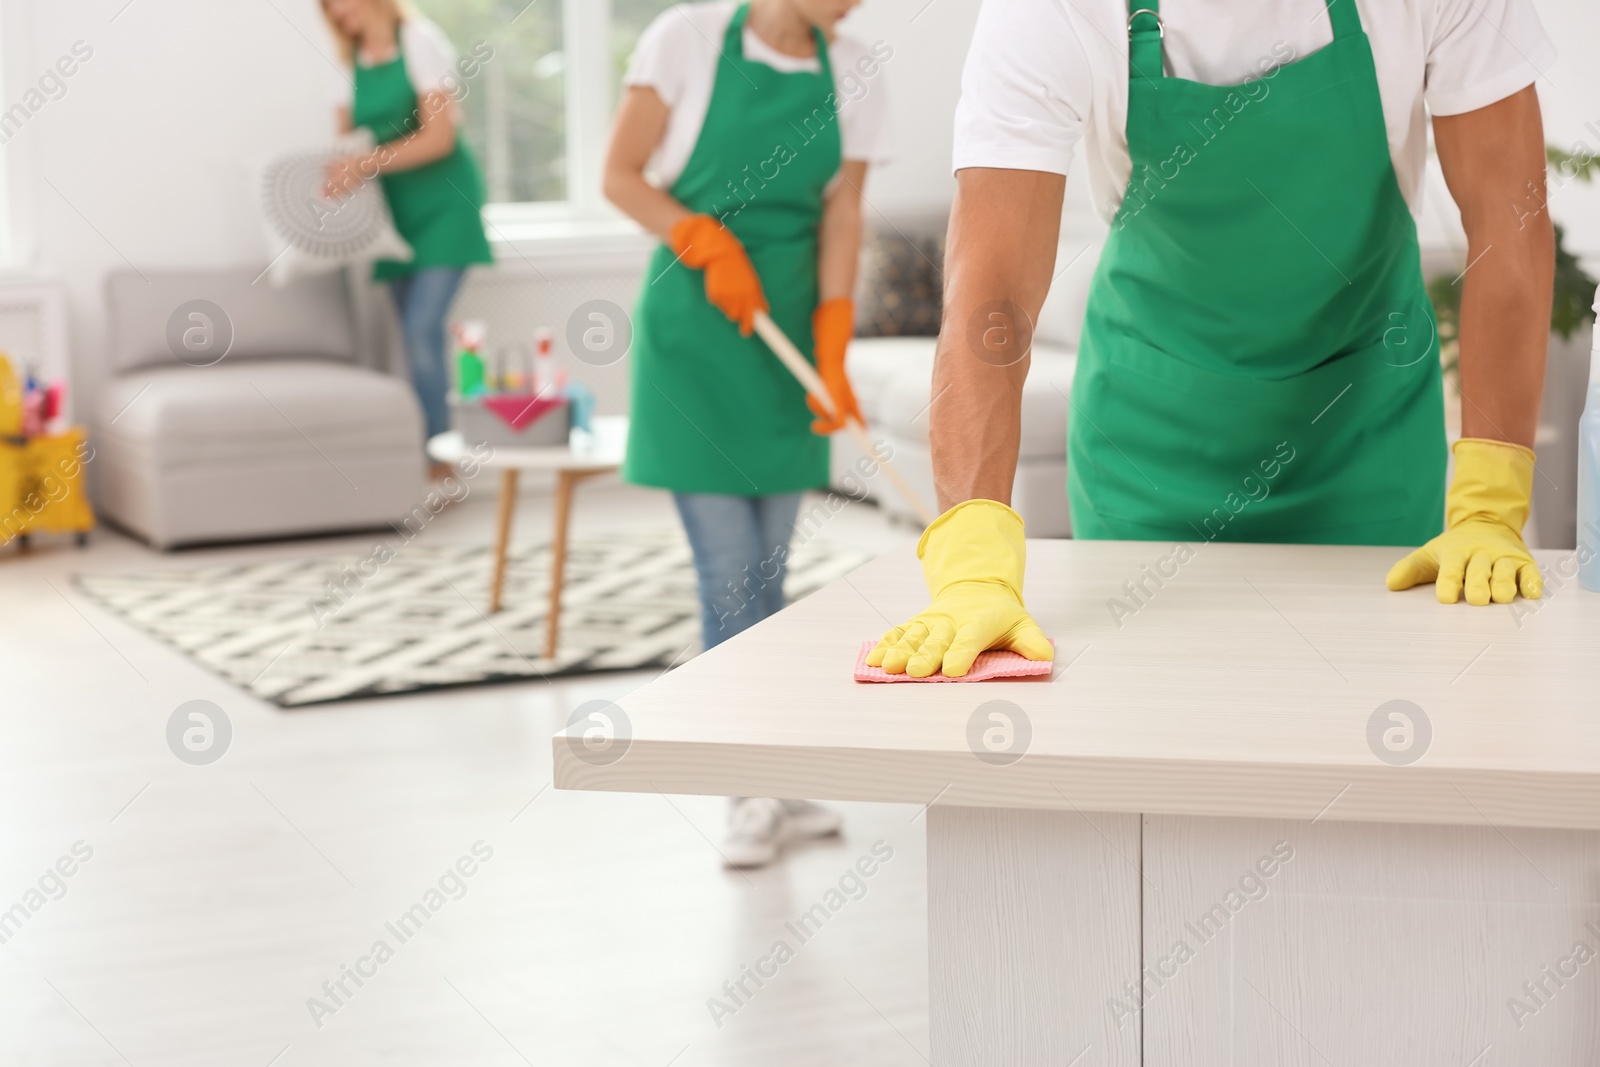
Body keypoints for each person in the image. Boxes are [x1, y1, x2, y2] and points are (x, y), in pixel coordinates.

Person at [869, 0, 1557, 678]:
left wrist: (1490, 501)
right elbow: (993, 294)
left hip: (1365, 419)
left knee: (1369, 705)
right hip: (1149, 435)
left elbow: (1510, 224)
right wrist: (972, 560)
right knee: (1147, 724)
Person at [604, 0, 889, 866]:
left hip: (787, 331)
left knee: (771, 576)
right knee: (730, 574)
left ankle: (773, 772)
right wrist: (699, 237)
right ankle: (747, 788)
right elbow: (619, 176)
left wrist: (835, 341)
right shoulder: (683, 38)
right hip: (698, 326)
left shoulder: (858, 64)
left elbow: (843, 215)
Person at [321, 0, 494, 480]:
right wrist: (338, 171)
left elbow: (439, 137)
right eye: (327, 5)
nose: (337, 10)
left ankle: (439, 464)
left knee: (422, 331)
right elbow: (346, 144)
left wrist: (364, 162)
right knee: (409, 338)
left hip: (444, 206)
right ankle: (420, 456)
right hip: (392, 217)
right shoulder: (344, 63)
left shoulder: (420, 42)